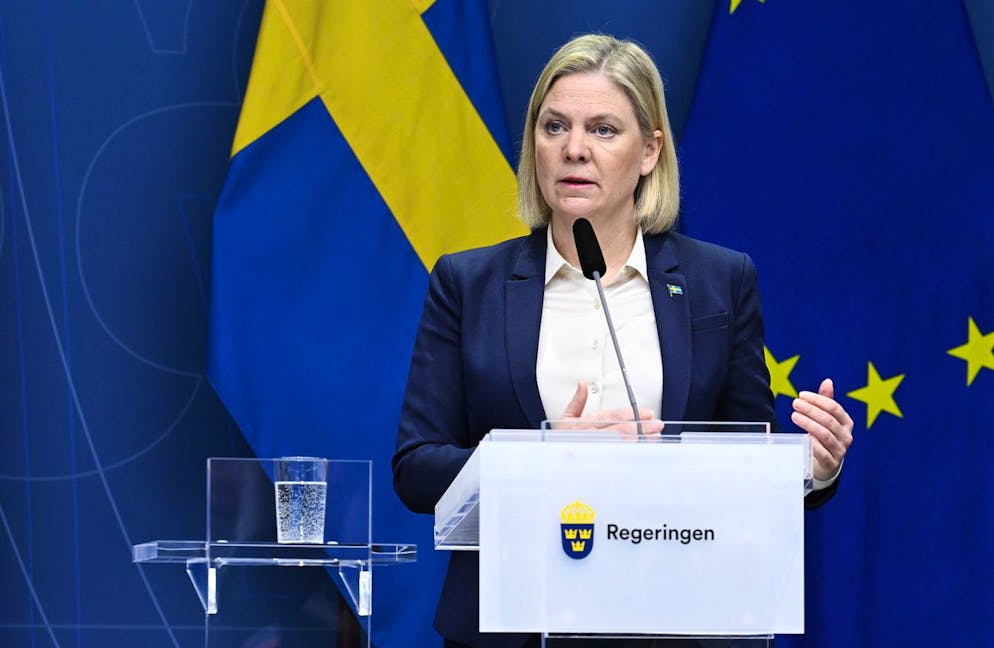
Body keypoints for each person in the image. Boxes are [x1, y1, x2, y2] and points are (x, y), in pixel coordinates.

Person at [393, 34, 854, 648]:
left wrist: (812, 468)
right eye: (554, 127)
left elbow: (747, 457)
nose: (574, 149)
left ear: (650, 151)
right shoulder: (468, 284)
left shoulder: (719, 281)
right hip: (515, 624)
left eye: (603, 130)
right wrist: (539, 457)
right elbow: (417, 468)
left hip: (676, 620)